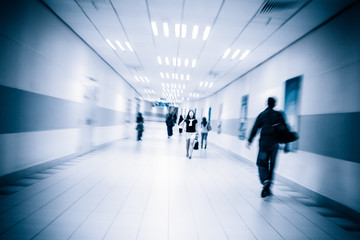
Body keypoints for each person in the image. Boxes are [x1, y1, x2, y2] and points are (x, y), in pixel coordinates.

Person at [247, 97, 286, 198]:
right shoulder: (278, 115)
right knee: (272, 166)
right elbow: (284, 130)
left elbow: (255, 128)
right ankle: (268, 188)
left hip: (264, 144)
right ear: (274, 104)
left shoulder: (262, 115)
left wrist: (250, 140)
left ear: (267, 104)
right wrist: (286, 144)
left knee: (262, 163)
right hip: (275, 145)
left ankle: (265, 181)